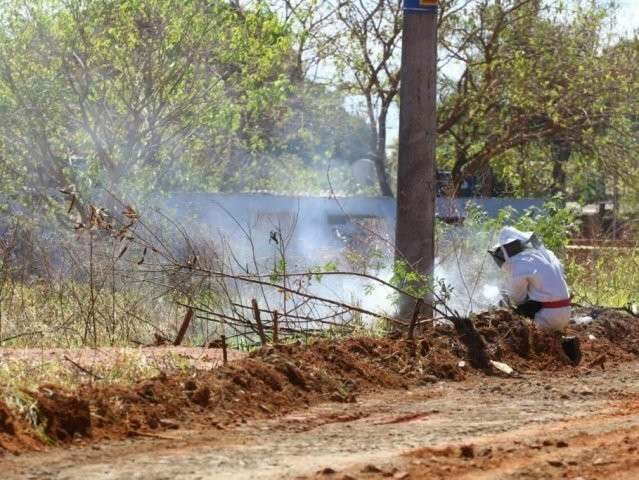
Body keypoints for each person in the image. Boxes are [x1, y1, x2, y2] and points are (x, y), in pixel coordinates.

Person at [488, 226, 580, 363]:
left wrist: (504, 302)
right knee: (533, 315)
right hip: (566, 313)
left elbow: (516, 299)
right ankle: (560, 342)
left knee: (511, 323)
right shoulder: (547, 254)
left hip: (546, 316)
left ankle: (535, 353)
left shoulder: (518, 265)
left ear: (505, 251)